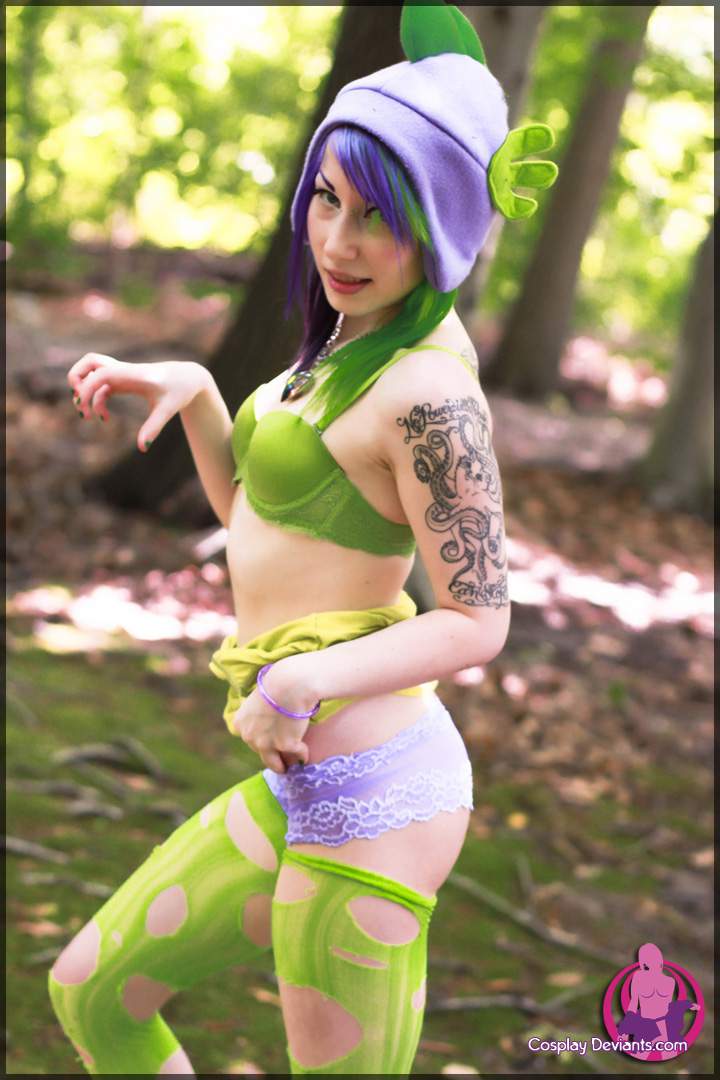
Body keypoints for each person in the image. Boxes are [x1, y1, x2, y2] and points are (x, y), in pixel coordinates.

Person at [48, 4, 557, 1074]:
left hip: (380, 798)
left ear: (443, 225)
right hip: (303, 790)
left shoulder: (429, 395)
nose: (337, 241)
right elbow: (260, 526)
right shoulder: (344, 348)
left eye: (379, 217)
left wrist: (300, 681)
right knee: (92, 991)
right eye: (327, 198)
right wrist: (200, 398)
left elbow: (479, 621)